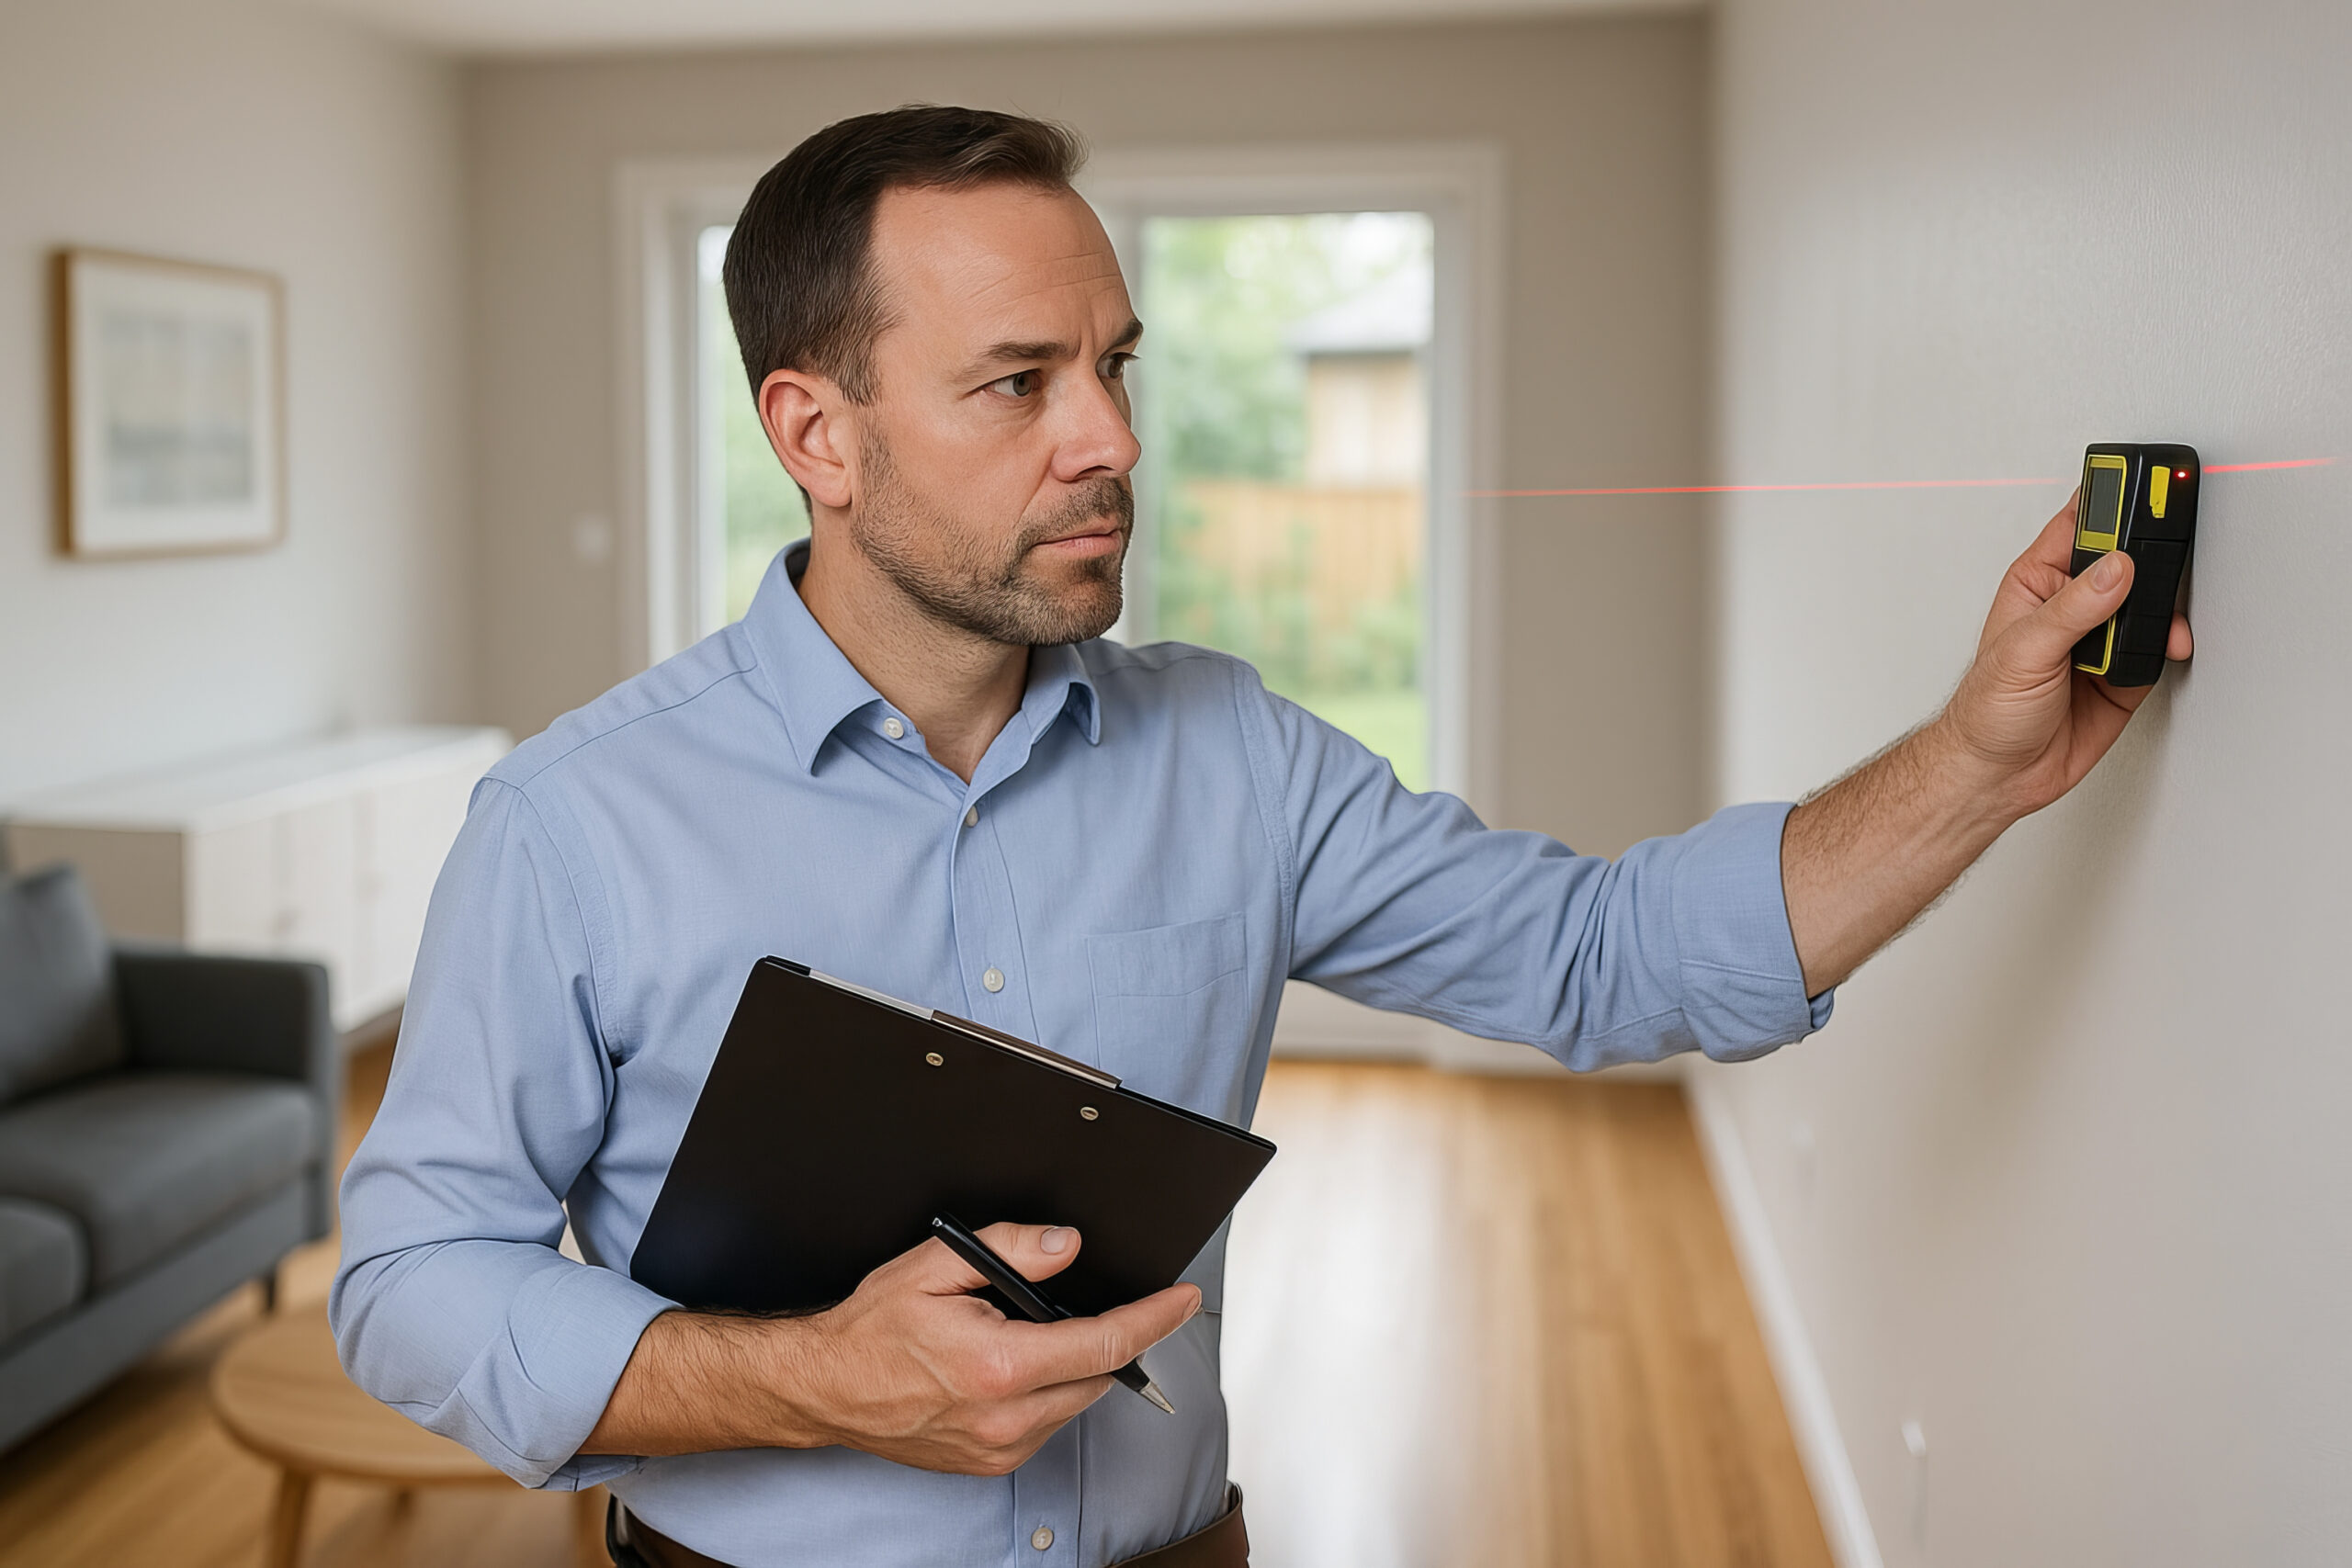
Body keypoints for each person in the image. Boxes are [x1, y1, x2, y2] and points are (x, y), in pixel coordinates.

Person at [331, 105, 2190, 1568]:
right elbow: (413, 1285)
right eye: (1019, 382)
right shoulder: (572, 824)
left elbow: (1607, 955)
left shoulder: (1233, 754)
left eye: (1114, 367)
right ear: (816, 432)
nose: (1109, 439)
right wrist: (811, 1378)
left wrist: (1974, 758)